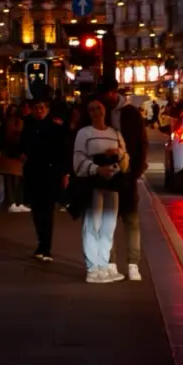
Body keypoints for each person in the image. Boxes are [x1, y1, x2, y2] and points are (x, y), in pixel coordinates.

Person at [70, 98, 126, 283]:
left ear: (105, 110)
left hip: (112, 183)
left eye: (99, 108)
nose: (96, 112)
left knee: (108, 226)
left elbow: (125, 158)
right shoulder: (83, 133)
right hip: (92, 183)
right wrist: (97, 168)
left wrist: (117, 156)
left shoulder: (115, 133)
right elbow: (78, 160)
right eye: (91, 109)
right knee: (92, 224)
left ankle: (103, 264)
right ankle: (93, 268)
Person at [22, 99, 71, 261]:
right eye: (36, 108)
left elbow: (63, 151)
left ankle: (46, 246)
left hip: (50, 174)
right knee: (37, 211)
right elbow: (22, 145)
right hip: (33, 173)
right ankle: (41, 241)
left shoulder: (56, 127)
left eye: (42, 108)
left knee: (47, 211)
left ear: (47, 110)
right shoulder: (28, 126)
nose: (39, 111)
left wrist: (64, 173)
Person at [114, 98, 150, 281]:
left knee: (130, 220)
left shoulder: (130, 114)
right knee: (109, 222)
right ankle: (111, 263)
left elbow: (142, 142)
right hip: (108, 176)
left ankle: (132, 264)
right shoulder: (101, 111)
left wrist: (136, 171)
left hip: (127, 175)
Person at [0, 105, 28, 212]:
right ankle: (12, 202)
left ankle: (17, 202)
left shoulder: (18, 123)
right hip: (11, 157)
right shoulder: (8, 125)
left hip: (15, 157)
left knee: (17, 181)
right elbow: (3, 141)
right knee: (11, 180)